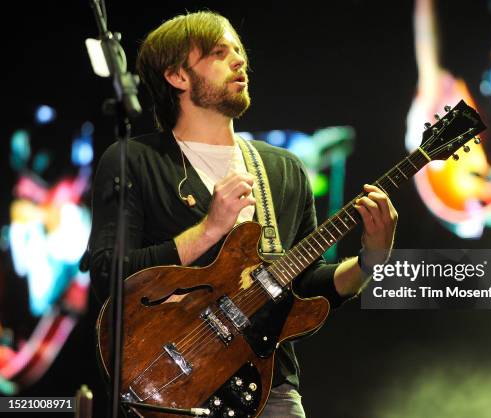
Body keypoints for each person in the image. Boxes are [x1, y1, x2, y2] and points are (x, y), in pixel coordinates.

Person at [87, 10, 397, 417]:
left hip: (271, 389)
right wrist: (209, 229)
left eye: (239, 50)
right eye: (219, 52)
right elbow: (109, 274)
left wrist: (371, 259)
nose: (239, 60)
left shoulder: (283, 168)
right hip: (172, 386)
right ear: (177, 76)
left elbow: (302, 287)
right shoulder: (134, 160)